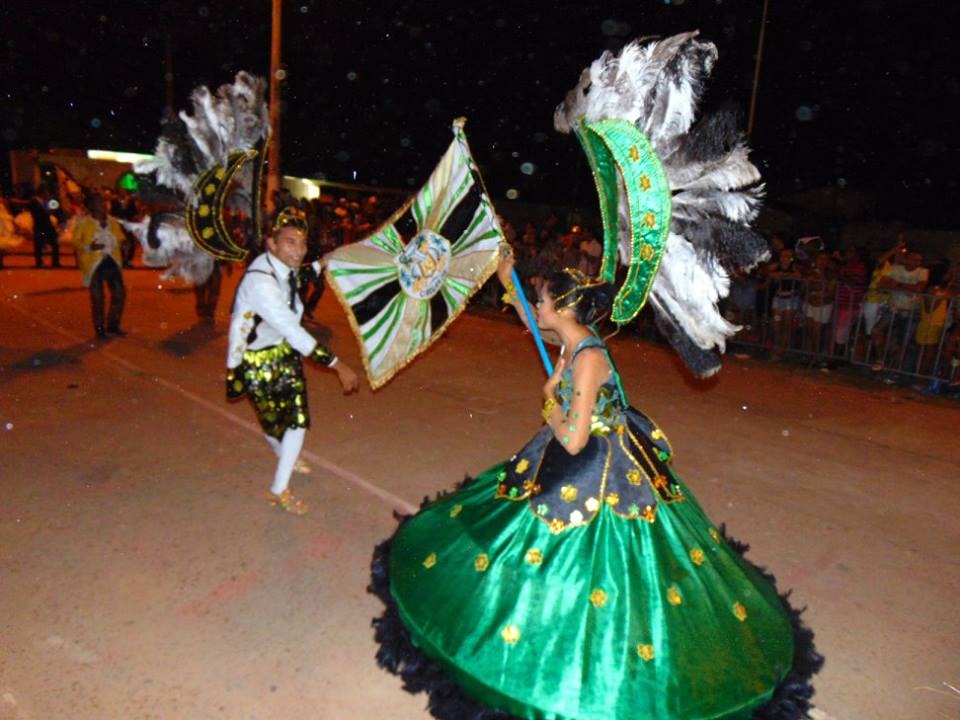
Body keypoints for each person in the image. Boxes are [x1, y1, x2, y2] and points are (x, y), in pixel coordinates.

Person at [370, 252, 817, 720]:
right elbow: (535, 325)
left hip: (600, 464)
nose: (537, 307)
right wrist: (508, 278)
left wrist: (549, 403)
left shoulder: (586, 359)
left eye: (542, 299)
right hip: (584, 456)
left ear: (563, 307)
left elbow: (574, 436)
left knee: (600, 559)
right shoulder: (572, 336)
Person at [225, 207, 359, 515]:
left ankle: (278, 488)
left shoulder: (284, 268)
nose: (298, 250)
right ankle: (285, 452)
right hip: (254, 360)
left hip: (283, 353)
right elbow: (292, 328)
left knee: (297, 420)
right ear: (271, 244)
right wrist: (338, 365)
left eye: (302, 242)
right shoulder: (261, 283)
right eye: (290, 242)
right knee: (274, 427)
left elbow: (301, 274)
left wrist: (328, 260)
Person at [71, 193, 128, 339]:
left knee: (119, 295)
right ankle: (100, 329)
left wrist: (123, 243)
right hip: (94, 264)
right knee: (98, 298)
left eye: (103, 202)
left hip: (112, 262)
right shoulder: (84, 223)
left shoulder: (113, 221)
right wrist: (89, 247)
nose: (103, 205)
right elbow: (75, 242)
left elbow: (120, 236)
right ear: (91, 206)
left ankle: (113, 325)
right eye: (99, 203)